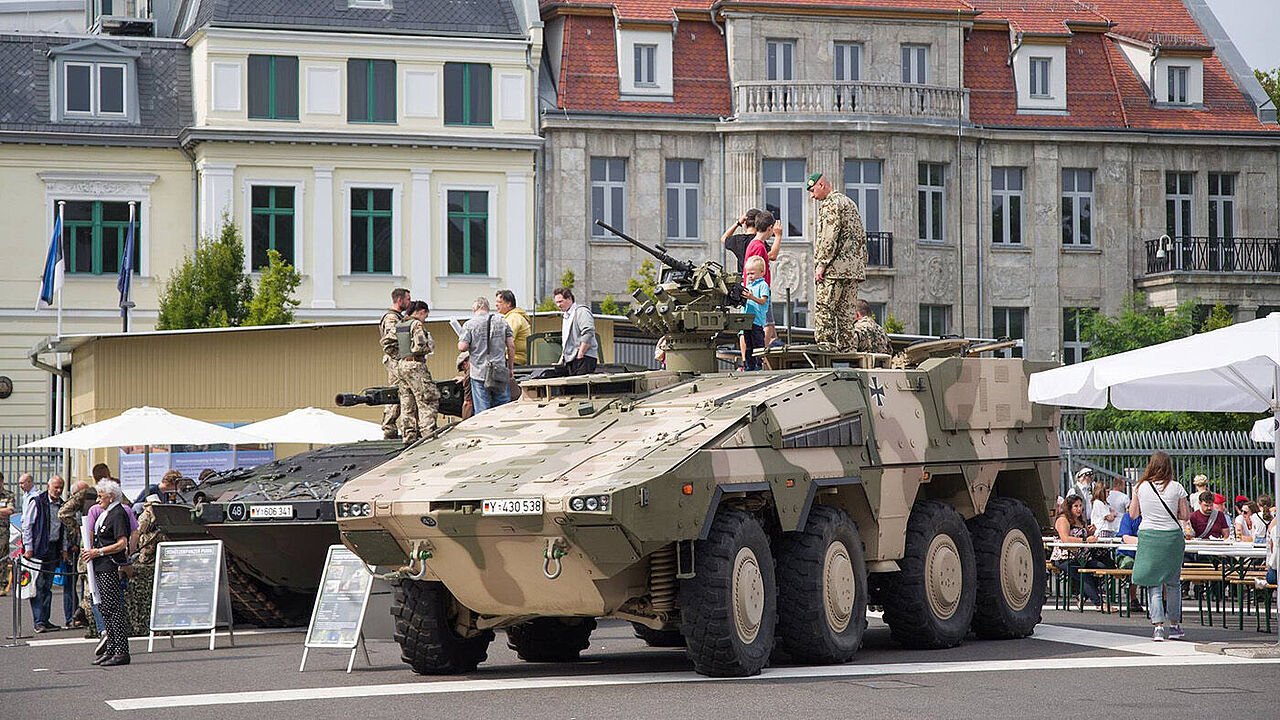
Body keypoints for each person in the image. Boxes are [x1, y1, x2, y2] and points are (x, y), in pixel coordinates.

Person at [1129, 451, 1190, 642]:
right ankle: (1174, 625)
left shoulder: (1140, 487)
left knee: (1153, 583)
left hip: (1149, 535)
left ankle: (1157, 628)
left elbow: (1133, 514)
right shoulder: (1177, 487)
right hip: (1171, 536)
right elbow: (1185, 515)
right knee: (1173, 583)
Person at [808, 171, 866, 352]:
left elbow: (828, 236)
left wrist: (821, 264)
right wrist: (860, 264)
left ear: (821, 185)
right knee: (846, 316)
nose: (812, 196)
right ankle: (848, 351)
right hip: (853, 270)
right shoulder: (850, 203)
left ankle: (825, 350)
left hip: (834, 270)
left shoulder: (831, 204)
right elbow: (860, 237)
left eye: (812, 190)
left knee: (824, 310)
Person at [82, 479, 131, 666]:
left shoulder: (118, 513)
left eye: (101, 496)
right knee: (105, 608)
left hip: (110, 565)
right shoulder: (107, 513)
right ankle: (111, 648)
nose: (97, 500)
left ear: (111, 497)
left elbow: (122, 543)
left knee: (113, 609)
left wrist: (98, 552)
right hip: (101, 566)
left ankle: (121, 651)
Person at [21, 475, 66, 632]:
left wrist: (64, 549)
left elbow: (64, 529)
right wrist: (28, 547)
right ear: (49, 487)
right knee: (38, 585)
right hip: (38, 548)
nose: (58, 491)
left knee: (48, 585)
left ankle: (45, 620)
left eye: (61, 487)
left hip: (53, 548)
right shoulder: (38, 502)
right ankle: (39, 621)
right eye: (56, 487)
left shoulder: (62, 504)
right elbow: (27, 525)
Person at [1050, 495, 1108, 611]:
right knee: (1084, 575)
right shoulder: (1063, 519)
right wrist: (1086, 540)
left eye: (1080, 506)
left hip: (1083, 556)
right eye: (1075, 506)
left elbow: (1084, 536)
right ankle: (1099, 604)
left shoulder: (1081, 520)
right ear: (1069, 507)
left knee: (1102, 568)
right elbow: (1065, 539)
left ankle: (1083, 595)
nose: (1079, 509)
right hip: (1064, 557)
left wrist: (1090, 532)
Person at [458, 296, 516, 412]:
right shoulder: (502, 322)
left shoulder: (469, 325)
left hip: (479, 372)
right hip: (499, 370)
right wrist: (510, 368)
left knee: (482, 409)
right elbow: (511, 346)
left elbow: (462, 347)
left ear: (475, 309)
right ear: (487, 308)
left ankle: (485, 429)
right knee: (503, 406)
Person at [395, 300, 440, 442]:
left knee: (407, 402)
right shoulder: (416, 325)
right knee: (427, 399)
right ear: (422, 312)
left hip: (402, 365)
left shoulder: (401, 324)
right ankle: (428, 433)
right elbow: (419, 346)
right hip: (415, 365)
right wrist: (430, 345)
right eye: (425, 316)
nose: (424, 319)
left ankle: (409, 435)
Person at [57, 480, 94, 629]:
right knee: (72, 585)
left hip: (82, 545)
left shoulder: (85, 506)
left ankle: (81, 613)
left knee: (83, 582)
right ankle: (75, 615)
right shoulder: (75, 505)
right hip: (73, 548)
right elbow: (63, 515)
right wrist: (77, 529)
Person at [744, 211, 782, 346]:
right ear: (769, 228)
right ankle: (760, 355)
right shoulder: (758, 246)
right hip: (760, 291)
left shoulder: (755, 244)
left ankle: (761, 357)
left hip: (758, 291)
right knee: (767, 326)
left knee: (770, 327)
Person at [379, 287, 412, 440]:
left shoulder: (398, 317)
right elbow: (392, 341)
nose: (409, 302)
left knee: (400, 393)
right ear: (400, 300)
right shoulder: (392, 319)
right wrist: (401, 358)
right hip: (395, 362)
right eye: (408, 299)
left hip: (398, 361)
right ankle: (389, 426)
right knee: (395, 394)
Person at [553, 287, 598, 375]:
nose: (558, 305)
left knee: (580, 387)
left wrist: (580, 354)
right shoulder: (566, 316)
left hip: (584, 358)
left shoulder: (581, 311)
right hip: (572, 359)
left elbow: (588, 332)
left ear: (569, 298)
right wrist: (561, 360)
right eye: (556, 302)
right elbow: (566, 341)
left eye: (560, 301)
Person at [738, 256, 770, 371]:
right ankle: (748, 365)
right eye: (748, 274)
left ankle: (758, 365)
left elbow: (763, 301)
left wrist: (751, 297)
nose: (750, 276)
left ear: (761, 272)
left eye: (752, 273)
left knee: (758, 344)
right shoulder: (749, 286)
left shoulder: (763, 285)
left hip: (756, 320)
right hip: (747, 321)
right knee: (748, 345)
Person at [1116, 508, 1144, 611]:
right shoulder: (1128, 517)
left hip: (1145, 554)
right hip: (1127, 555)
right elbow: (1126, 538)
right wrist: (1148, 541)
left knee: (1160, 564)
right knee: (1132, 565)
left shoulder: (1152, 517)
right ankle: (1133, 598)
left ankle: (1163, 600)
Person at [496, 289, 533, 366]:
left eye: (499, 302)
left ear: (508, 304)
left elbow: (506, 342)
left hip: (515, 359)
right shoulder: (512, 316)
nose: (496, 304)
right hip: (515, 358)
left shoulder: (513, 318)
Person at [721, 208, 761, 274]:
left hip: (742, 278)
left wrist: (738, 222)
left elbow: (723, 238)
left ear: (745, 223)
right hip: (757, 278)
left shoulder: (738, 240)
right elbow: (772, 255)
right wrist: (778, 236)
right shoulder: (759, 241)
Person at [0, 471, 14, 596]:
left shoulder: (8, 495)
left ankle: (2, 584)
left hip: (3, 531)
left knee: (3, 557)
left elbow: (10, 510)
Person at [454, 352, 474, 420]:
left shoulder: (469, 374)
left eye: (463, 370)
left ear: (464, 364)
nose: (465, 372)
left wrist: (464, 422)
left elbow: (468, 403)